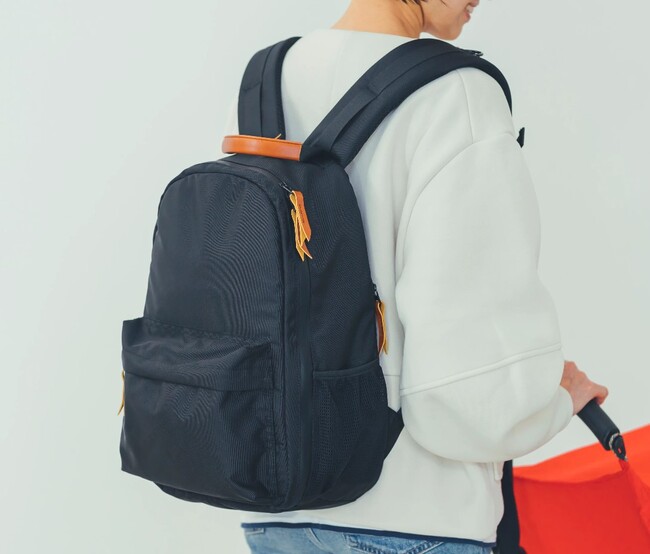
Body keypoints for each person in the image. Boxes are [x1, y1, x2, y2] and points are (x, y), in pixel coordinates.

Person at [220, 0, 610, 552]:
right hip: (418, 518)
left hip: (279, 514)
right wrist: (554, 399)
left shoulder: (266, 81)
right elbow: (466, 392)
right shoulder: (457, 93)